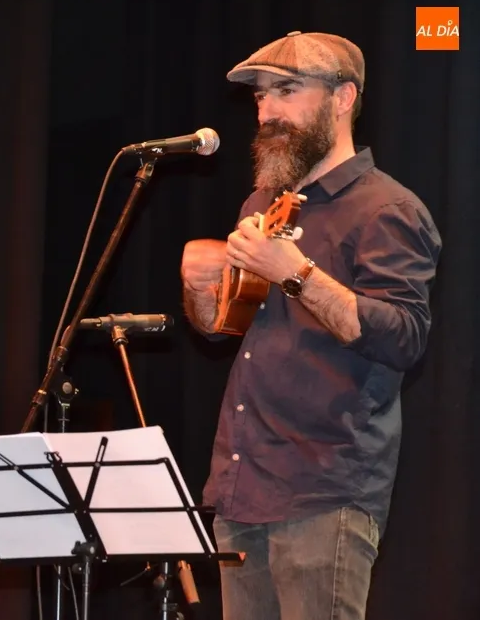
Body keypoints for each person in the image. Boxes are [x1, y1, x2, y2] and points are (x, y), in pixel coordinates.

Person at [180, 31, 442, 619]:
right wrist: (199, 291)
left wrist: (296, 273)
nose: (267, 110)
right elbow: (225, 329)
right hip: (242, 486)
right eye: (260, 97)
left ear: (343, 98)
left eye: (287, 90)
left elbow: (404, 337)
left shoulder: (387, 210)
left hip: (325, 490)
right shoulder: (260, 205)